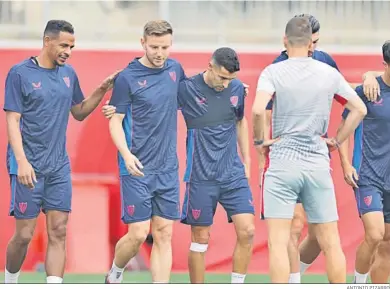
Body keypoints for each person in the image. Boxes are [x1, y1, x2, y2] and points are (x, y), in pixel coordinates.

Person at [258, 13, 383, 283]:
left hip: (287, 159)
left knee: (296, 238)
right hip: (315, 160)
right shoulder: (308, 68)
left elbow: (260, 111)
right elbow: (356, 106)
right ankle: (296, 281)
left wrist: (261, 143)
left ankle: (292, 280)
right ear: (308, 42)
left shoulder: (282, 70)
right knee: (319, 237)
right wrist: (337, 140)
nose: (314, 47)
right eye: (312, 42)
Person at [3, 20, 117, 284]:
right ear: (47, 42)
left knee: (59, 230)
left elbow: (78, 112)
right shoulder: (20, 73)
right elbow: (12, 120)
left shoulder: (69, 74)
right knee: (24, 236)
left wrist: (102, 89)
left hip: (58, 168)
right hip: (27, 167)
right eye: (64, 45)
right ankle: (9, 282)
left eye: (72, 46)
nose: (68, 51)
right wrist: (21, 161)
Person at [105, 20, 185, 284]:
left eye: (165, 47)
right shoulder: (127, 77)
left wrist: (231, 88)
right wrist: (126, 155)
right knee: (139, 233)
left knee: (164, 233)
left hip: (167, 168)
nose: (160, 52)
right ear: (143, 43)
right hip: (136, 167)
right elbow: (114, 121)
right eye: (154, 47)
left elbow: (195, 96)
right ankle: (116, 272)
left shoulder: (175, 69)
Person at [178, 47, 255, 284]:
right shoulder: (186, 89)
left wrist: (247, 159)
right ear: (209, 66)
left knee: (248, 231)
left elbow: (240, 121)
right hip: (201, 176)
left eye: (230, 79)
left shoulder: (237, 89)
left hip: (232, 173)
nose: (226, 83)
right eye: (222, 77)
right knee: (201, 238)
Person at [339, 40, 390, 284]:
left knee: (387, 243)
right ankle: (358, 284)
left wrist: (368, 73)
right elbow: (344, 130)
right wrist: (346, 164)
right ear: (385, 65)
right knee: (375, 234)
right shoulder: (367, 91)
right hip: (368, 175)